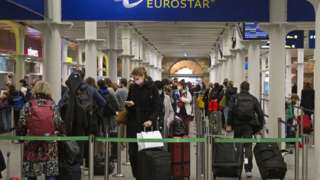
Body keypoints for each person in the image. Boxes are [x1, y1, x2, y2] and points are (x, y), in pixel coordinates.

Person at [17, 81, 64, 180]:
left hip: (32, 143)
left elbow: (21, 122)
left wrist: (21, 137)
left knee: (32, 173)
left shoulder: (28, 105)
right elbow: (59, 123)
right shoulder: (53, 105)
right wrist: (62, 134)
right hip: (49, 143)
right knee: (50, 172)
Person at [126, 67, 161, 178]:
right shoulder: (132, 87)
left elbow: (158, 107)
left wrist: (151, 119)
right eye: (134, 78)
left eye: (137, 78)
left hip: (147, 125)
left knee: (146, 153)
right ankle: (137, 175)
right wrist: (129, 105)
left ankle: (145, 176)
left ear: (143, 76)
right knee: (133, 153)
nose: (135, 80)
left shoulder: (152, 88)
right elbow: (129, 103)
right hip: (133, 124)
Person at [227, 81, 264, 178]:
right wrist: (260, 127)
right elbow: (260, 113)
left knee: (237, 146)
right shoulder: (253, 99)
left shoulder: (235, 98)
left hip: (237, 125)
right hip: (248, 126)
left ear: (240, 87)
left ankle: (236, 167)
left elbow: (230, 111)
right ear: (248, 88)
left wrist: (229, 124)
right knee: (248, 147)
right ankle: (248, 169)